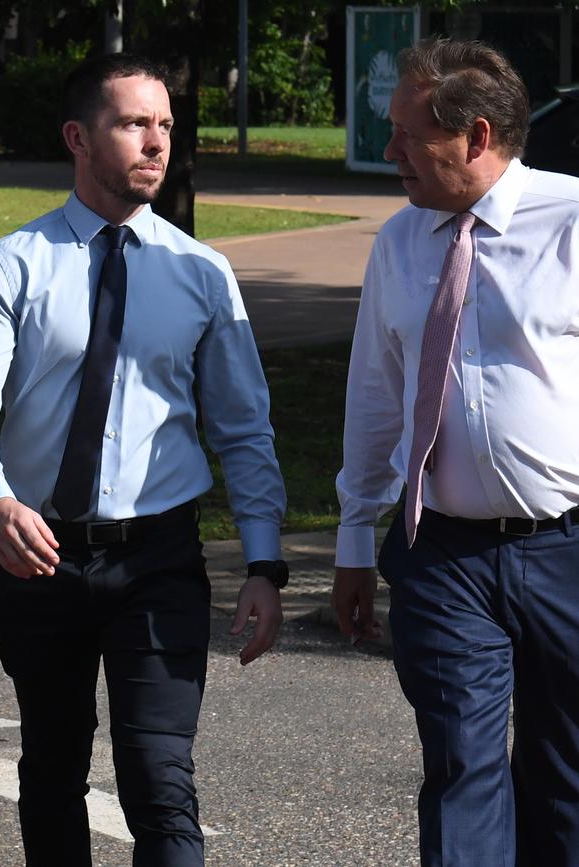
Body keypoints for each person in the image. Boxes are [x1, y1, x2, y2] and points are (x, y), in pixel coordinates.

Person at [0, 53, 288, 867]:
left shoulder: (202, 272)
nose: (156, 142)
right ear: (78, 138)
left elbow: (245, 427)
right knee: (52, 769)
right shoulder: (11, 264)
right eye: (133, 123)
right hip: (36, 556)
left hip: (157, 559)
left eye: (165, 124)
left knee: (160, 782)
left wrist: (265, 562)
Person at [332, 36, 579, 867]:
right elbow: (374, 397)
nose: (390, 150)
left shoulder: (572, 221)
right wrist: (354, 539)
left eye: (406, 132)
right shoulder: (399, 242)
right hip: (439, 552)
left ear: (476, 136)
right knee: (460, 770)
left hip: (567, 548)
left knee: (565, 777)